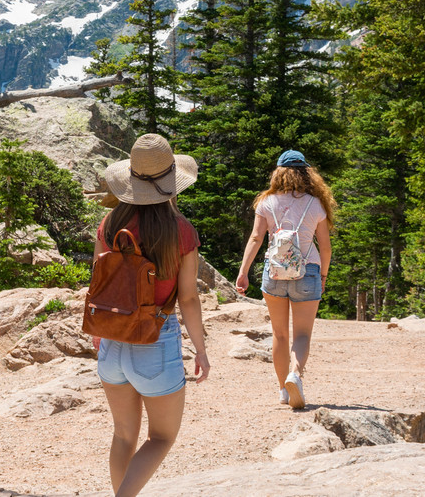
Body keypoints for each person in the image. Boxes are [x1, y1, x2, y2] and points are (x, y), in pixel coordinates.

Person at [92, 133, 211, 497]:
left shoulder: (110, 224)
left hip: (112, 341)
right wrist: (201, 349)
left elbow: (97, 281)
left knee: (123, 434)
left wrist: (99, 334)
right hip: (156, 340)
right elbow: (188, 299)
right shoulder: (181, 232)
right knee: (161, 437)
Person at [234, 149, 335, 410]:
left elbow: (256, 238)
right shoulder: (316, 204)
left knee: (279, 333)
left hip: (274, 271)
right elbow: (325, 247)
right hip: (307, 271)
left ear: (277, 173)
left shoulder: (266, 203)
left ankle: (282, 390)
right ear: (306, 174)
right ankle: (296, 376)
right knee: (302, 334)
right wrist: (322, 275)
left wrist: (243, 272)